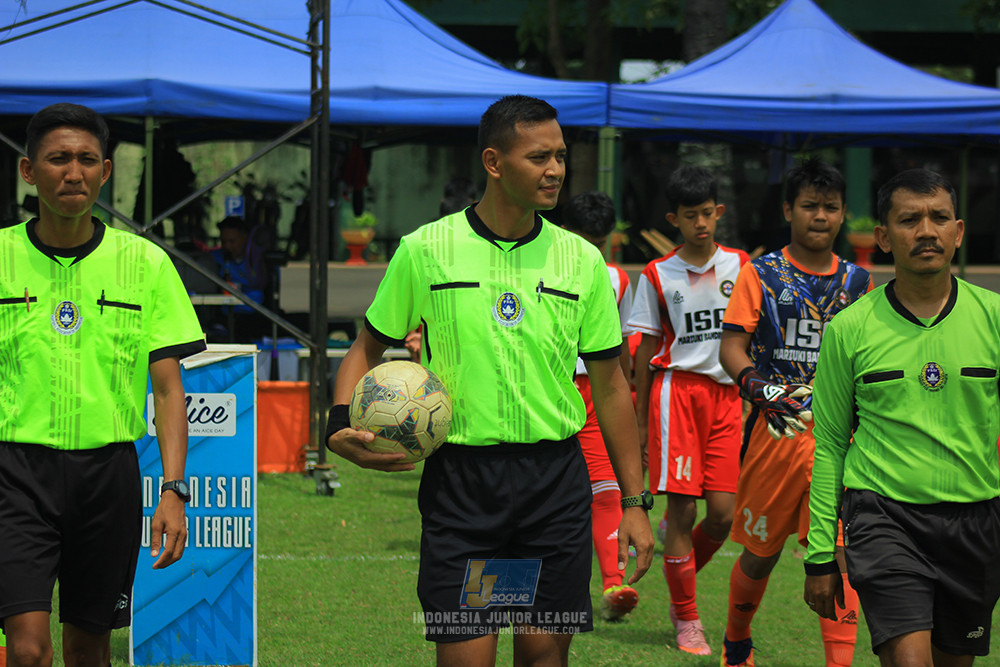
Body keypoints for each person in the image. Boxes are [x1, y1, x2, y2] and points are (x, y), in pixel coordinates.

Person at [326, 95, 653, 666]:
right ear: (494, 162)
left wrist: (633, 500)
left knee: (542, 658)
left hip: (554, 486)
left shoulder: (581, 262)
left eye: (560, 156)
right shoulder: (426, 250)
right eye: (538, 158)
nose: (554, 170)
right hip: (463, 489)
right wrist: (336, 427)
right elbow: (365, 349)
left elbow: (611, 388)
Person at [0, 103, 205, 667]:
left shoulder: (146, 264)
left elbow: (168, 392)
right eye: (58, 158)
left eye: (87, 159)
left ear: (106, 171)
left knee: (88, 647)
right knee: (28, 649)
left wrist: (173, 490)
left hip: (107, 478)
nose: (74, 172)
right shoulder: (0, 256)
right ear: (28, 171)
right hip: (14, 475)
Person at [804, 169, 1000, 667]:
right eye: (910, 219)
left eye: (938, 218)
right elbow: (828, 443)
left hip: (975, 522)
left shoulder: (994, 317)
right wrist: (821, 553)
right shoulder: (850, 328)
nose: (927, 231)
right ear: (885, 238)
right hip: (883, 516)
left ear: (958, 231)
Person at [718, 157, 872, 667]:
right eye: (810, 206)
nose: (820, 216)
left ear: (844, 214)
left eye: (830, 208)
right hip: (776, 432)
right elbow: (731, 347)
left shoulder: (860, 283)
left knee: (839, 555)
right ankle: (737, 639)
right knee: (761, 555)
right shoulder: (758, 273)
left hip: (839, 438)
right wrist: (757, 386)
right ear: (789, 210)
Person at [628, 165, 748, 655]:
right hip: (676, 396)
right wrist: (637, 419)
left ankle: (681, 575)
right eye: (690, 216)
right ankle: (687, 618)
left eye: (707, 214)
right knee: (682, 510)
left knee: (722, 515)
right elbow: (643, 349)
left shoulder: (742, 265)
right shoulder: (658, 274)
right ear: (672, 219)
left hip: (726, 397)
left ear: (719, 213)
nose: (701, 223)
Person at [561, 190, 639, 622]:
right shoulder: (541, 266)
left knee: (606, 488)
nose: (590, 249)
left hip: (595, 392)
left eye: (599, 241)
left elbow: (620, 344)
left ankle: (614, 584)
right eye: (583, 238)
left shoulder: (616, 279)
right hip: (548, 388)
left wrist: (627, 394)